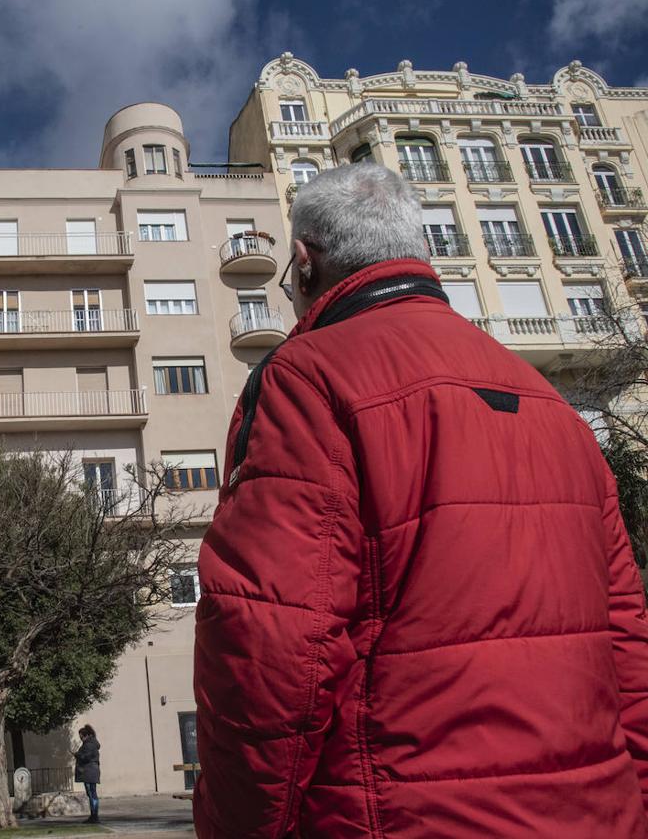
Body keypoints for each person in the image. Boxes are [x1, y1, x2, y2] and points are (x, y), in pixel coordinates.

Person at [193, 163, 648, 838]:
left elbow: (272, 640)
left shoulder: (307, 377)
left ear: (304, 262)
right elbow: (627, 642)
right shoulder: (556, 407)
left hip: (399, 814)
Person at [73, 724, 101, 823]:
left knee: (92, 794)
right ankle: (93, 816)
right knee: (92, 794)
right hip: (92, 771)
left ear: (86, 735)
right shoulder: (92, 743)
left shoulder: (89, 745)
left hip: (89, 772)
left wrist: (77, 755)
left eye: (81, 736)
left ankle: (94, 816)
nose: (81, 739)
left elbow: (86, 757)